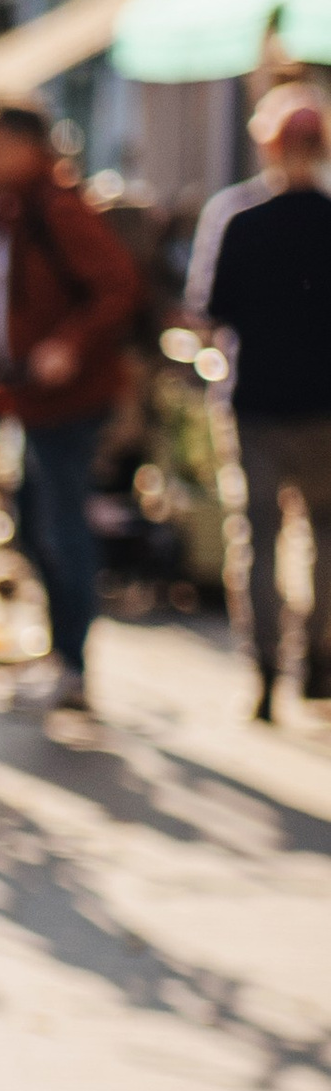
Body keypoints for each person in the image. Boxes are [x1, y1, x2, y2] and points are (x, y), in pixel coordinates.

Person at [0, 103, 138, 716]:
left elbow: (118, 283)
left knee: (60, 528)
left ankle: (73, 664)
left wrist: (68, 344)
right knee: (33, 522)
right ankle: (63, 651)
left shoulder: (56, 207)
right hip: (25, 399)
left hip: (68, 401)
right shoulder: (9, 211)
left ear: (23, 146)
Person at [186, 83, 331, 720]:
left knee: (260, 537)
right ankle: (322, 657)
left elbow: (209, 311)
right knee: (327, 535)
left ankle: (267, 669)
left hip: (256, 402)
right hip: (326, 403)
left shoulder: (239, 218)